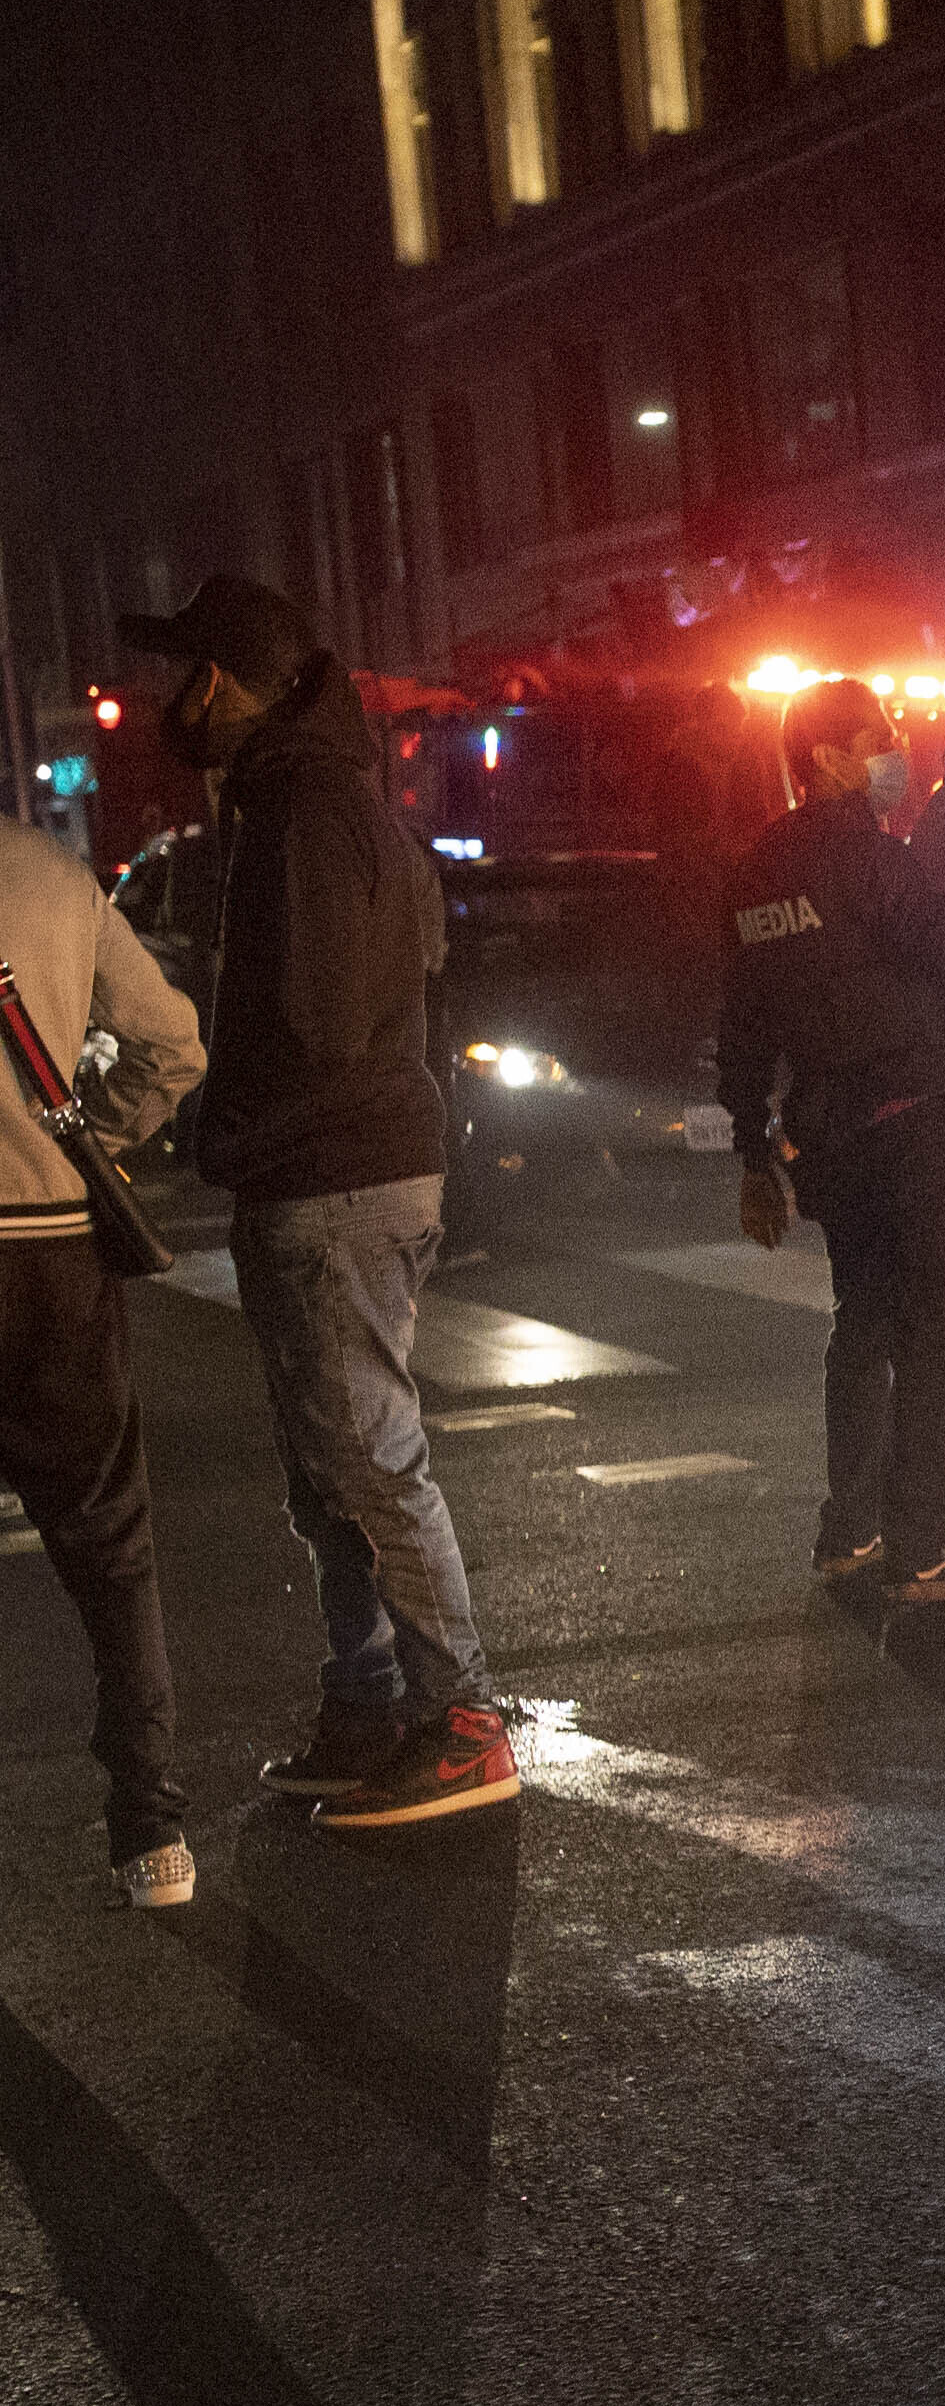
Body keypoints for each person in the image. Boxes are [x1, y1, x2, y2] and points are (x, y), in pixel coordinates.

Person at [131, 574, 517, 1825]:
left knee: (364, 1452)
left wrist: (225, 1117)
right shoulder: (329, 801)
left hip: (333, 1174)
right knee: (328, 1466)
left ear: (227, 683)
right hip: (346, 1165)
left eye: (182, 676)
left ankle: (459, 1718)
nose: (166, 702)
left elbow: (312, 1013)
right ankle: (368, 1701)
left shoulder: (301, 813)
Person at [718, 678, 945, 1601]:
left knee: (863, 1325)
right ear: (830, 758)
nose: (894, 749)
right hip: (912, 1122)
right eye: (879, 736)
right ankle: (919, 1551)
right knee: (930, 1335)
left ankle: (848, 1533)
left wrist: (755, 1149)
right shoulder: (867, 856)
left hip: (831, 1137)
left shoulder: (759, 869)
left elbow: (744, 1026)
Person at [0, 814, 206, 1904]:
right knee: (111, 1547)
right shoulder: (53, 874)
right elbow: (173, 1045)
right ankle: (151, 1832)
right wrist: (94, 1140)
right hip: (50, 1252)